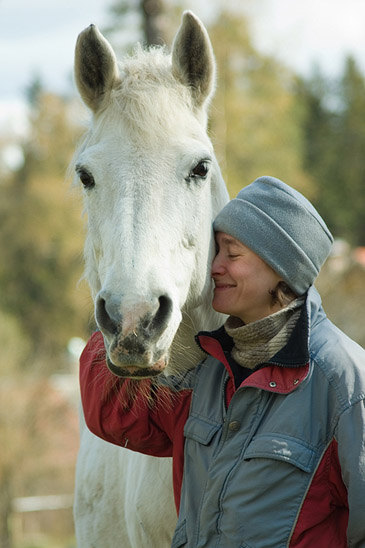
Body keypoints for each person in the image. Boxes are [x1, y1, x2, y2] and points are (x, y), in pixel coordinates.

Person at [80, 176, 365, 547]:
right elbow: (115, 412)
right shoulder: (212, 371)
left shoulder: (346, 384)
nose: (214, 267)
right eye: (216, 252)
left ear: (281, 269)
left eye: (232, 254)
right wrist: (125, 299)